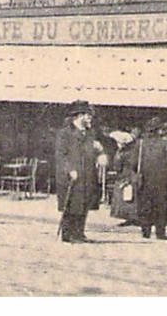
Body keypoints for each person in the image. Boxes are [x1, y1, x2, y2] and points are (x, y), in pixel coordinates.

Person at [55, 100, 99, 243]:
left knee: (84, 204)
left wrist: (100, 153)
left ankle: (79, 232)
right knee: (71, 205)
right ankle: (68, 235)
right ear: (78, 116)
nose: (89, 118)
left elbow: (91, 151)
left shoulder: (89, 133)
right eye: (87, 115)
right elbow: (61, 155)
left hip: (87, 174)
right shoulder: (65, 133)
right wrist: (69, 169)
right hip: (71, 176)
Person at [133, 118, 167, 240]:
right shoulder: (165, 143)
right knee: (160, 207)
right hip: (161, 181)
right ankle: (160, 233)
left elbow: (134, 163)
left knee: (145, 206)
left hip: (144, 179)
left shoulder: (140, 143)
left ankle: (145, 231)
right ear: (158, 130)